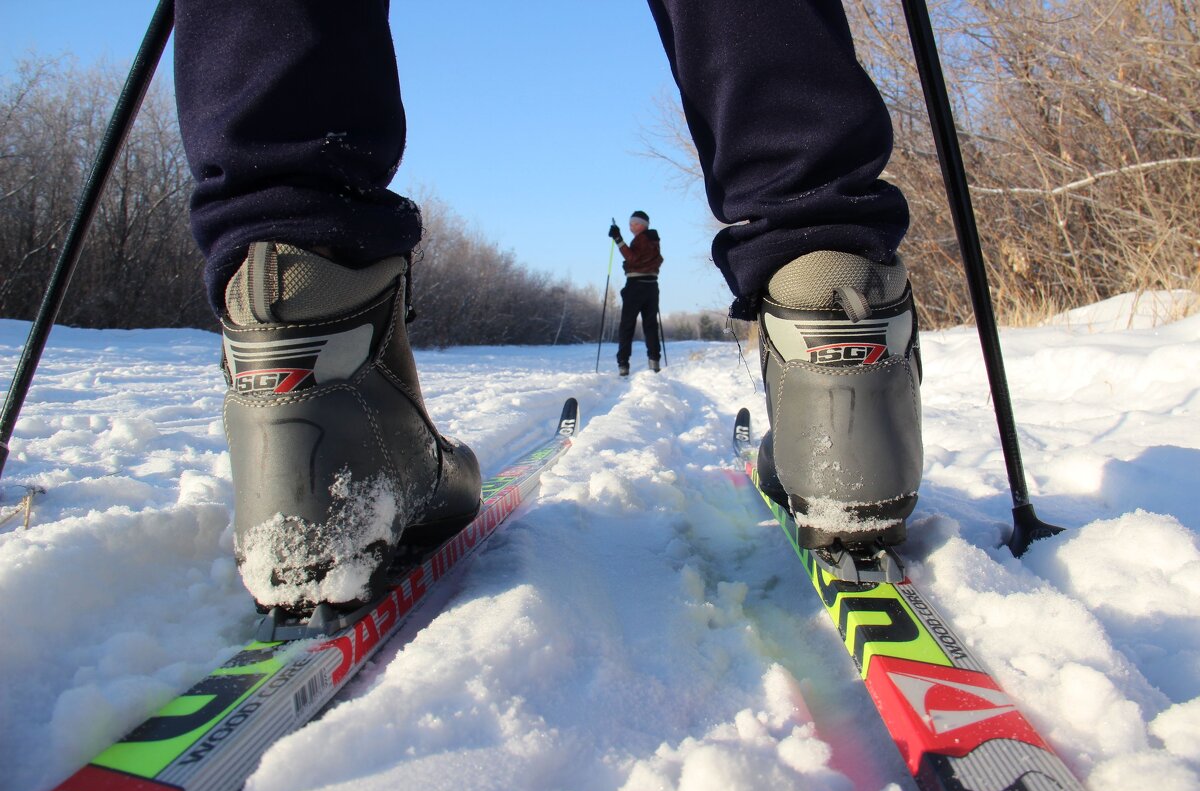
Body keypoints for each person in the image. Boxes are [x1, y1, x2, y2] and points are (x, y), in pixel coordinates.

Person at [173, 0, 922, 612]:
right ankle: (830, 281)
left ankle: (299, 286)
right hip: (638, 286)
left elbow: (646, 262)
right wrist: (614, 245)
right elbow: (632, 258)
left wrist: (632, 253)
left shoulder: (648, 242)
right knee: (646, 317)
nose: (632, 227)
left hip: (646, 287)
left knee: (646, 322)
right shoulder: (632, 241)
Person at [608, 211, 663, 376]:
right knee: (650, 325)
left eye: (635, 224)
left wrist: (618, 238)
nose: (632, 227)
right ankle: (654, 362)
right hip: (651, 286)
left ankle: (623, 364)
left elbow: (632, 258)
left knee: (627, 325)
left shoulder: (643, 238)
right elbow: (643, 260)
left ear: (644, 225)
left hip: (636, 286)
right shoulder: (653, 240)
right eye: (630, 224)